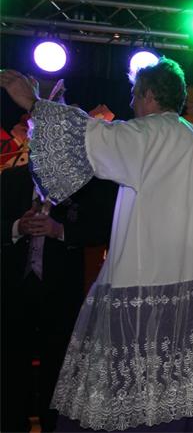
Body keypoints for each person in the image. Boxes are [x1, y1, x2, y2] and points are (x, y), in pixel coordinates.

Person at [0, 58, 193, 432]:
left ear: (150, 95)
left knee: (132, 399)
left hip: (149, 287)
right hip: (189, 288)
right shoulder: (191, 137)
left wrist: (34, 104)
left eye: (134, 95)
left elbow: (91, 139)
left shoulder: (152, 133)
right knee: (175, 394)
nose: (131, 104)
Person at [0, 165, 116, 432]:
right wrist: (18, 227)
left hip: (62, 295)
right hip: (13, 293)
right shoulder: (10, 179)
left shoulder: (83, 181)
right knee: (10, 369)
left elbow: (102, 228)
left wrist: (59, 230)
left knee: (57, 370)